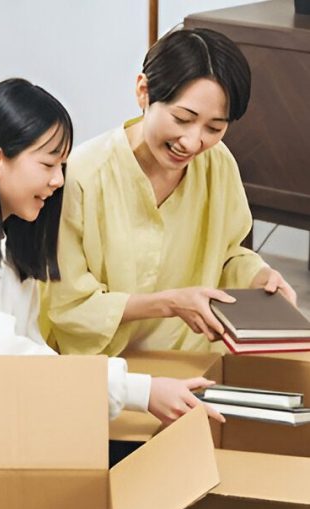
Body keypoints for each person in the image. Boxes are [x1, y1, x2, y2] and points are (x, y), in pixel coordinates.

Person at [0, 78, 225, 427]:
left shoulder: (11, 237)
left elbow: (28, 347)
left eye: (62, 166)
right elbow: (2, 356)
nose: (58, 181)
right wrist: (141, 391)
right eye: (48, 165)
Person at [44, 28, 297, 356]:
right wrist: (168, 305)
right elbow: (68, 306)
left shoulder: (217, 164)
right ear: (143, 91)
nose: (193, 142)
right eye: (182, 118)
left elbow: (229, 254)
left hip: (193, 359)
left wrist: (258, 277)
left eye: (214, 128)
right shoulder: (82, 176)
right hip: (105, 368)